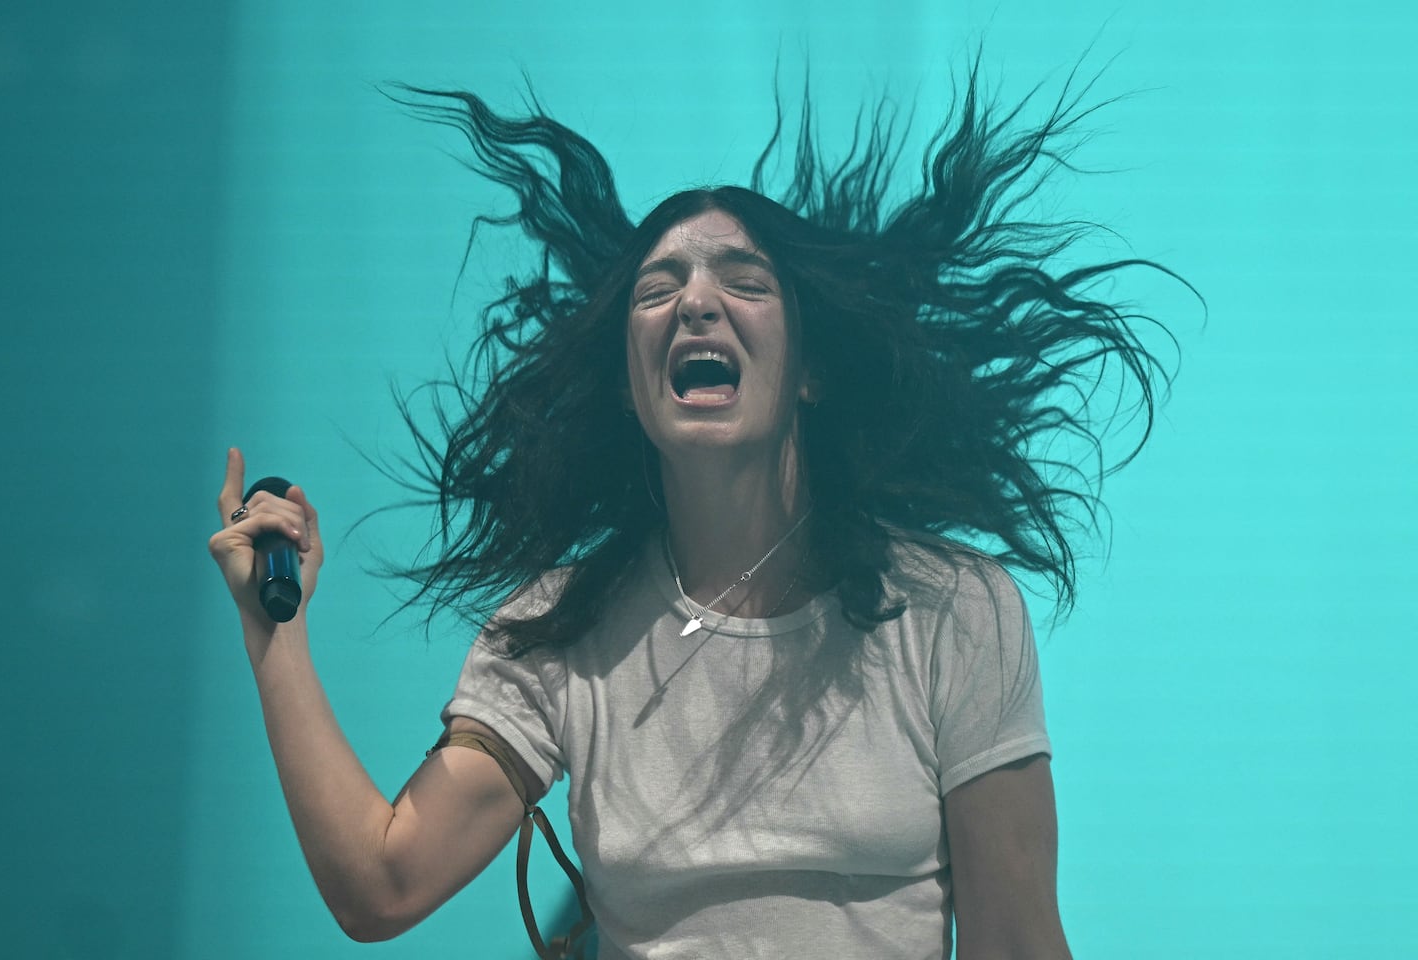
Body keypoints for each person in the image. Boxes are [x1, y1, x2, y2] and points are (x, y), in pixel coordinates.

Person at [209, 67, 1176, 959]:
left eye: (744, 283)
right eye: (657, 290)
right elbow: (380, 886)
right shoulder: (556, 631)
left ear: (812, 370)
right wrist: (273, 633)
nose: (696, 304)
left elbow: (1019, 942)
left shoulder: (954, 610)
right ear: (629, 387)